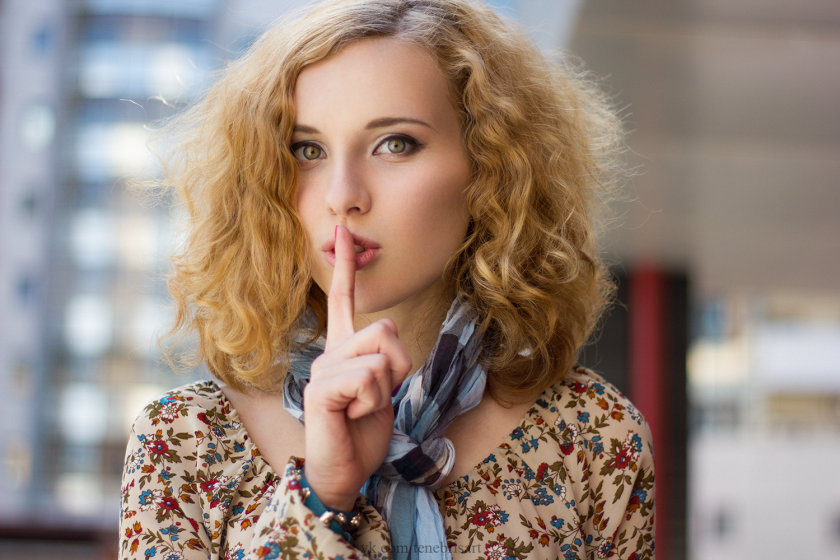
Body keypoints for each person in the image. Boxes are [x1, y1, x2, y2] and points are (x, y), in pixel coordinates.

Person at [118, 0, 655, 558]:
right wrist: (324, 493)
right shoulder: (181, 442)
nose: (343, 195)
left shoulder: (594, 436)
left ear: (491, 169)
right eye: (308, 150)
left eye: (395, 143)